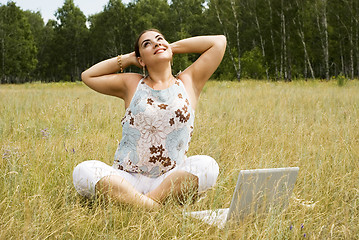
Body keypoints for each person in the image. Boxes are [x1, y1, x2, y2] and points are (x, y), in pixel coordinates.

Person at [73, 29, 226, 210]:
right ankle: (155, 208)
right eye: (147, 44)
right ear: (141, 60)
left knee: (208, 166)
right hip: (126, 179)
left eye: (160, 39)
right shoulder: (132, 83)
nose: (156, 43)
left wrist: (169, 47)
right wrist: (129, 58)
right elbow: (88, 76)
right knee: (83, 171)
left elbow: (219, 42)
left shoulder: (189, 81)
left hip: (168, 180)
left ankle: (137, 204)